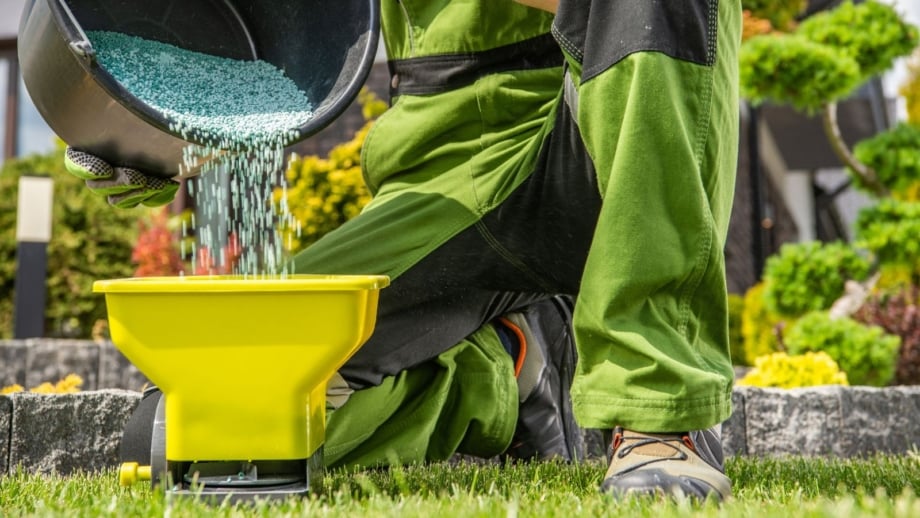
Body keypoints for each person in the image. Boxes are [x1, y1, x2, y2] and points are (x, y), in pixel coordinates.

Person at [65, 0, 741, 501]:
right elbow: (277, 32)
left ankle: (662, 419)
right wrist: (143, 123)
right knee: (202, 430)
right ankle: (505, 371)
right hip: (447, 170)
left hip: (603, 134)